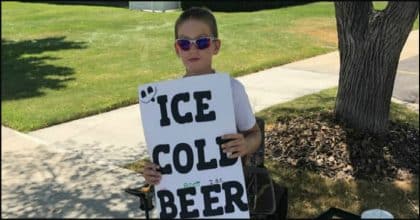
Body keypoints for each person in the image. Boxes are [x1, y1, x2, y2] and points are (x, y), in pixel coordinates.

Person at [141, 6, 261, 185]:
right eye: (184, 43)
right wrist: (152, 171)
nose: (192, 49)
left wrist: (245, 145)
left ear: (216, 46)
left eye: (202, 42)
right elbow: (164, 152)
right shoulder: (165, 99)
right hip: (185, 196)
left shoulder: (232, 89)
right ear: (177, 49)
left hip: (225, 190)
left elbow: (255, 135)